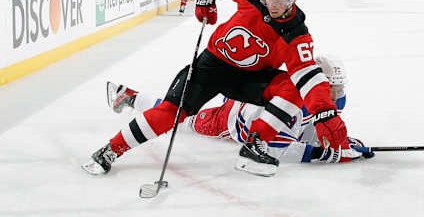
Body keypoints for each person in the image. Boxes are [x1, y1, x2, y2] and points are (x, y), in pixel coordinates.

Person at [82, 0, 353, 178]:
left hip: (251, 79)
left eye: (280, 0)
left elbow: (308, 74)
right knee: (171, 113)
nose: (272, 4)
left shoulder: (296, 33)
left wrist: (324, 112)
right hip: (212, 66)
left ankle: (254, 145)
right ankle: (109, 150)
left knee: (293, 88)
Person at [104, 55, 374, 164]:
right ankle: (131, 97)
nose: (338, 94)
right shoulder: (291, 108)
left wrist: (342, 142)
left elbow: (309, 129)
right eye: (333, 88)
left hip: (250, 102)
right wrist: (329, 154)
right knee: (182, 118)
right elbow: (279, 149)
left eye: (339, 88)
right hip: (229, 119)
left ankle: (131, 97)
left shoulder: (317, 100)